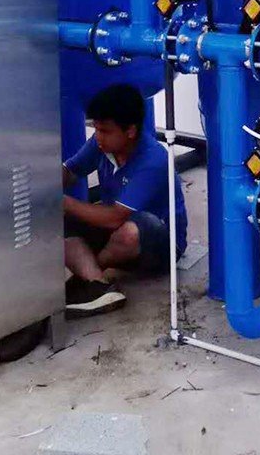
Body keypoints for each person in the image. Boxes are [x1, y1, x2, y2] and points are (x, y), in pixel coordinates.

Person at [62, 83, 188, 318]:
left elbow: (114, 218)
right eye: (95, 129)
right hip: (116, 234)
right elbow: (70, 172)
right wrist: (41, 185)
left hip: (159, 245)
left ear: (130, 131)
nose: (98, 137)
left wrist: (65, 203)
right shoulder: (101, 144)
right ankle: (97, 286)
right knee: (57, 221)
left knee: (132, 230)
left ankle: (86, 277)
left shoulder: (154, 160)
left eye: (105, 131)